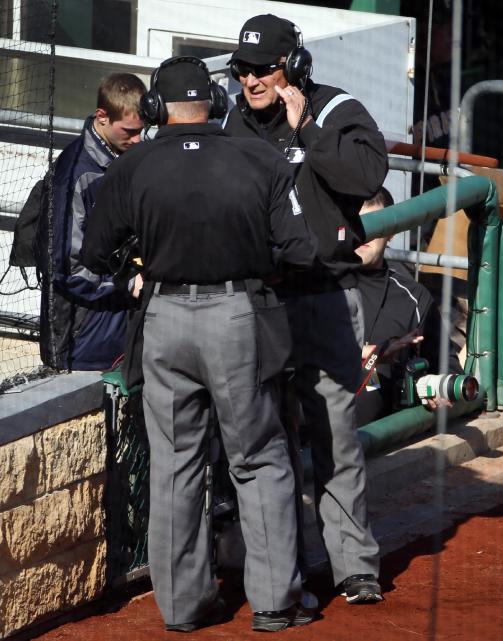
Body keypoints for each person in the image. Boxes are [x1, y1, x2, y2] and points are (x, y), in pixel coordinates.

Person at [81, 57, 318, 633]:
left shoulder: (134, 163)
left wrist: (141, 261)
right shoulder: (259, 157)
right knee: (259, 460)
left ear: (157, 109)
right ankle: (272, 604)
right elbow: (301, 251)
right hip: (237, 317)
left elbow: (93, 255)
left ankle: (183, 608)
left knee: (174, 465)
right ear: (214, 101)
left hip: (162, 319)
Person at [222, 14, 389, 603]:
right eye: (242, 70)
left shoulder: (338, 109)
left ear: (292, 66)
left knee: (336, 437)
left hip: (324, 295)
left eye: (262, 69)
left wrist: (307, 128)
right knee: (267, 442)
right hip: (260, 300)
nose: (250, 81)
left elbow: (368, 174)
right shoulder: (231, 123)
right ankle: (282, 571)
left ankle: (354, 567)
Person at [33, 73, 146, 371]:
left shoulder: (128, 158)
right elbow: (65, 267)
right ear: (102, 117)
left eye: (142, 130)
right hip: (83, 342)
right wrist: (127, 282)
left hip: (122, 330)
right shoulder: (73, 176)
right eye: (130, 131)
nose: (137, 140)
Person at [354, 188, 464, 425]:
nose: (364, 234)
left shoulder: (412, 297)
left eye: (374, 225)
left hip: (384, 447)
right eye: (357, 223)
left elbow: (447, 366)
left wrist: (438, 387)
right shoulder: (316, 284)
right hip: (311, 440)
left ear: (391, 232)